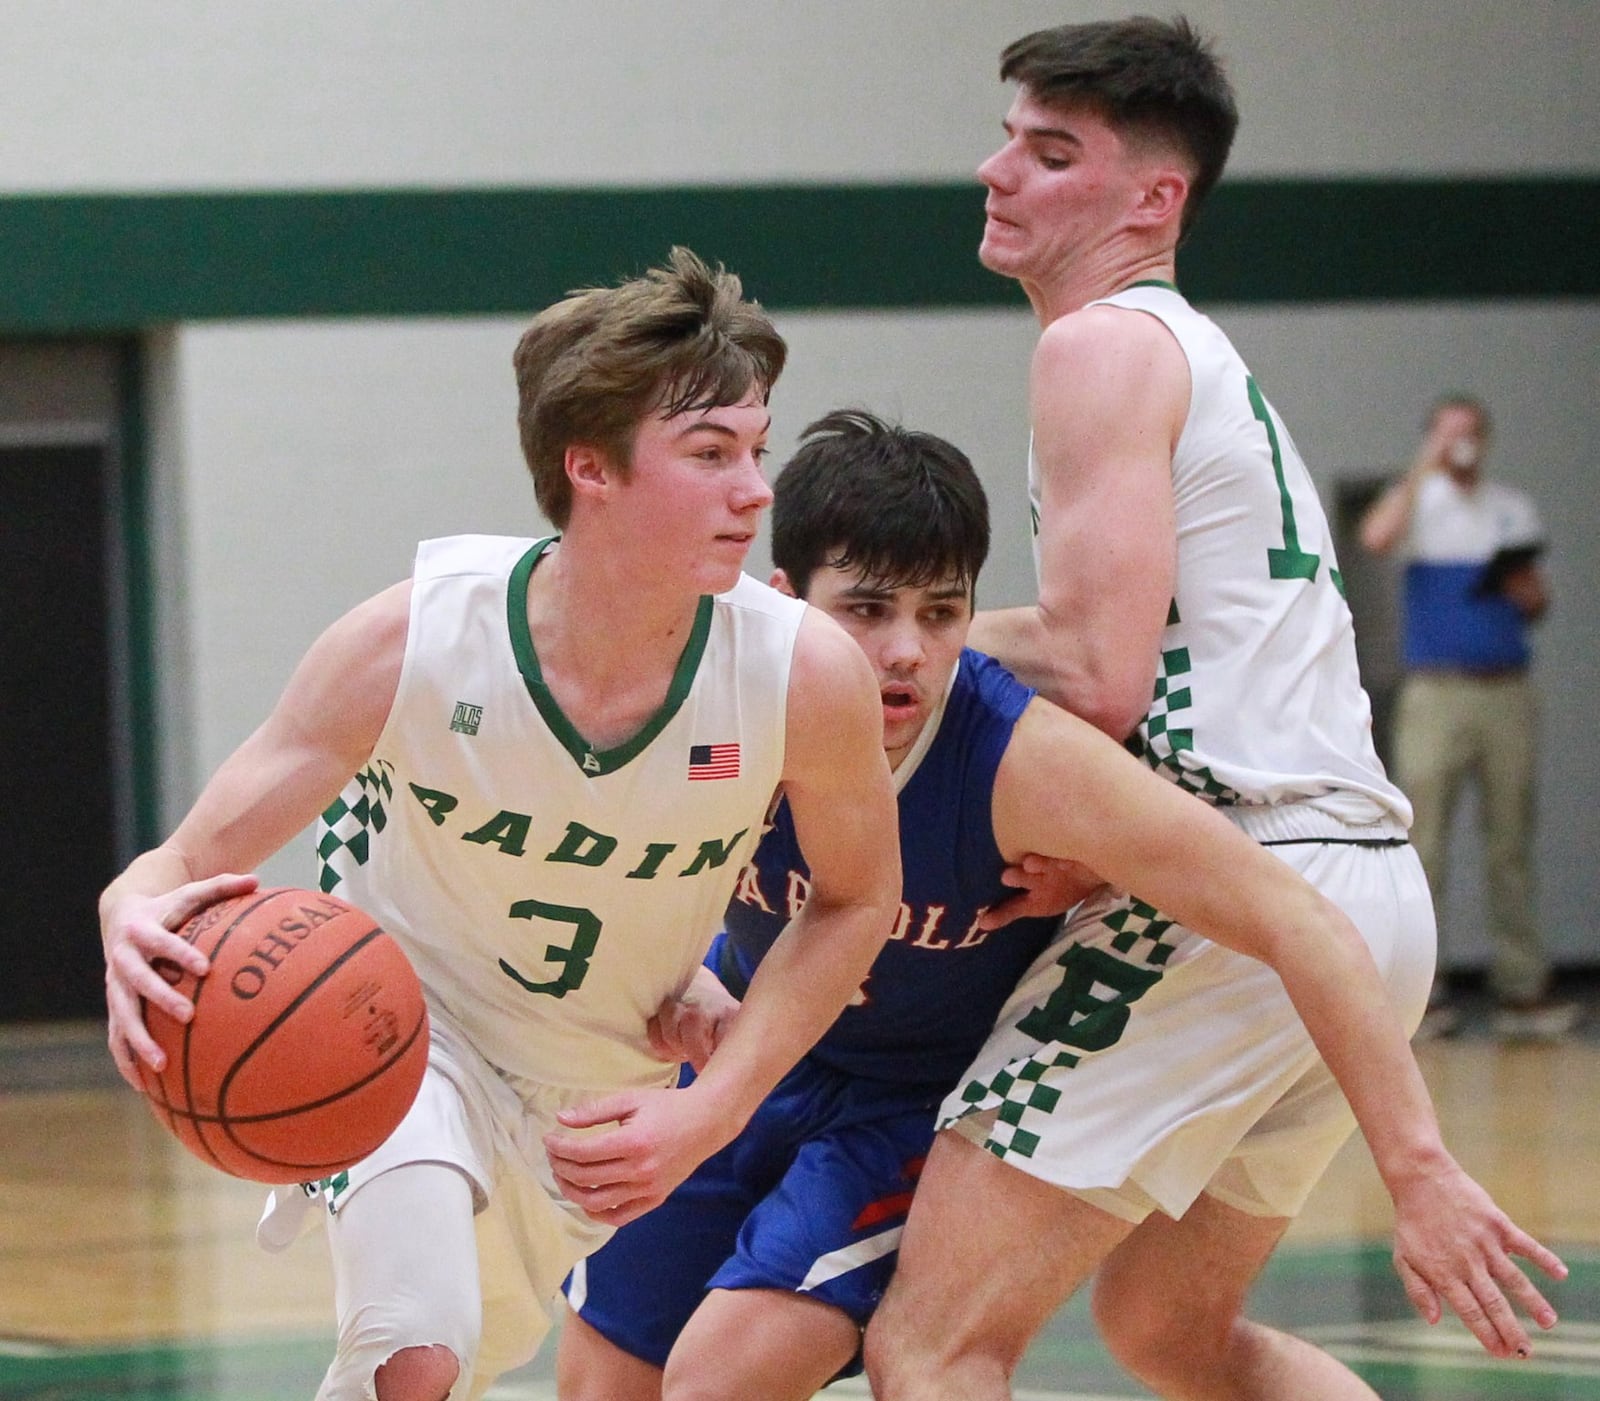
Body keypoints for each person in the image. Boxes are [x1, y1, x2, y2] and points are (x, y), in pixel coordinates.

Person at [557, 411, 1563, 1401]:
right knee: (603, 1379)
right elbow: (602, 872)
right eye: (866, 611)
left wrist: (1416, 1167)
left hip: (905, 1109)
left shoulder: (1021, 760)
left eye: (939, 613)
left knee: (721, 1378)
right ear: (784, 601)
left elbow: (1294, 917)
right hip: (751, 1051)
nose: (905, 649)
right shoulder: (711, 707)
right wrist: (676, 974)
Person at [863, 20, 1567, 1401]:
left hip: (1244, 898)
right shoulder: (1186, 353)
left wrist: (830, 648)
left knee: (932, 1343)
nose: (996, 168)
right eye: (1009, 133)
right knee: (1166, 1333)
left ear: (1152, 200)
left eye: (1050, 151)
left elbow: (1088, 664)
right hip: (1360, 903)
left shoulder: (1103, 350)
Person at [97, 248, 902, 1401]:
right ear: (593, 467)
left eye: (758, 451)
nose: (757, 490)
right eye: (712, 454)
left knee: (463, 1364)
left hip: (592, 1095)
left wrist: (714, 1110)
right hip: (396, 1037)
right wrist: (131, 912)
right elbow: (176, 861)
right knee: (413, 1350)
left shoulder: (803, 675)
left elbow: (859, 896)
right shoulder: (413, 641)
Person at [1360, 394, 1570, 1041]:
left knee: (1511, 841)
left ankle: (1521, 989)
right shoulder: (1416, 503)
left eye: (1472, 432)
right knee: (1424, 844)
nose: (1463, 444)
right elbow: (1376, 537)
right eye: (1451, 433)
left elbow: (1536, 599)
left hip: (1505, 690)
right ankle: (1424, 994)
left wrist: (1525, 590)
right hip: (1436, 694)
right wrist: (1424, 464)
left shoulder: (1510, 508)